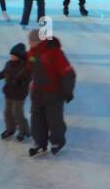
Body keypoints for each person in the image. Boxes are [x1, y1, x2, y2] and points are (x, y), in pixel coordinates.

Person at [26, 27, 74, 156]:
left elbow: (68, 73)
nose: (29, 43)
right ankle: (39, 142)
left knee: (54, 120)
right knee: (36, 119)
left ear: (39, 41)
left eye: (31, 40)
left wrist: (68, 91)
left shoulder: (54, 53)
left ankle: (57, 141)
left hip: (54, 93)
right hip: (37, 93)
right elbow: (29, 69)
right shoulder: (31, 53)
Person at [0, 42, 31, 141]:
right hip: (8, 92)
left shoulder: (26, 66)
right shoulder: (9, 64)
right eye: (11, 55)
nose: (11, 57)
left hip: (19, 94)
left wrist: (22, 82)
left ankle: (24, 131)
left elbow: (30, 78)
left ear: (19, 56)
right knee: (7, 113)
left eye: (14, 55)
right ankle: (10, 129)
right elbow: (2, 74)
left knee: (17, 113)